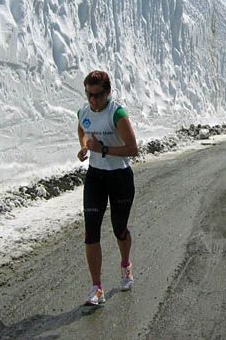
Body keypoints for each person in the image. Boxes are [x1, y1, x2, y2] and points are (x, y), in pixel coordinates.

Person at [77, 70, 139, 306]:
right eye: (89, 95)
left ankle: (125, 265)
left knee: (119, 229)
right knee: (90, 232)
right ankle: (97, 288)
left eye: (98, 95)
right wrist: (84, 147)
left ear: (108, 93)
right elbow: (82, 129)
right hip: (95, 177)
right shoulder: (84, 111)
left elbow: (133, 148)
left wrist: (102, 149)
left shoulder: (117, 113)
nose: (93, 100)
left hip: (120, 177)